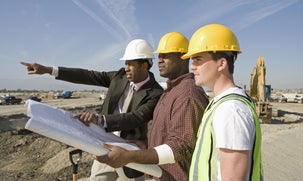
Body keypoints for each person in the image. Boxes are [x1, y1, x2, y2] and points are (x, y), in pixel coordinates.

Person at [20, 39, 164, 181]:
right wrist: (48, 70)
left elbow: (136, 117)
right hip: (104, 146)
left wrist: (100, 119)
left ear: (144, 65)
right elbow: (88, 75)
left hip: (129, 152)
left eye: (130, 64)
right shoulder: (119, 77)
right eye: (125, 63)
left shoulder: (155, 92)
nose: (126, 67)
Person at [94, 32, 209, 180]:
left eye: (166, 55)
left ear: (183, 57)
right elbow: (169, 135)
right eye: (159, 55)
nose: (159, 60)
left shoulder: (186, 95)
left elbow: (181, 147)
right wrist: (146, 145)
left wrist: (130, 156)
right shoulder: (171, 91)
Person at [180, 24, 263, 180]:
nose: (192, 66)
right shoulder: (221, 104)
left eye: (198, 59)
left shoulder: (231, 110)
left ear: (221, 63)